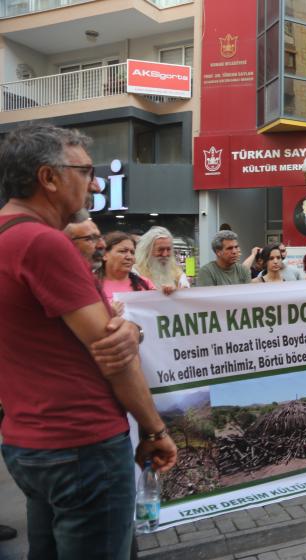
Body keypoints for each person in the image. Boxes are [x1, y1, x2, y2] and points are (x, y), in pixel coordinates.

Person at [0, 123, 176, 559]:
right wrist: (154, 429)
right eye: (85, 170)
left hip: (28, 441)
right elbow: (112, 355)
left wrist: (127, 330)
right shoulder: (43, 243)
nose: (95, 182)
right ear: (49, 177)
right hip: (82, 443)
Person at [98, 231, 156, 304]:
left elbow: (158, 310)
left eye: (132, 252)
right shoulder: (91, 284)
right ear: (104, 255)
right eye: (122, 251)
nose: (129, 257)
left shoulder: (145, 283)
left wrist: (168, 294)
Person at [134, 226, 190, 293]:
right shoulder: (136, 273)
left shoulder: (178, 274)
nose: (165, 254)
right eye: (160, 250)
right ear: (148, 251)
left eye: (168, 249)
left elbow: (186, 296)